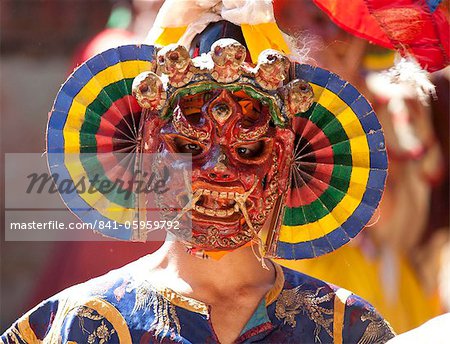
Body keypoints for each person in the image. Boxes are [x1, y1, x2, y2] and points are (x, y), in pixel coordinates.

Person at [1, 1, 396, 343]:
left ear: (287, 158)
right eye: (189, 146)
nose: (217, 169)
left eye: (247, 148)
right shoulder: (84, 324)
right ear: (147, 151)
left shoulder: (346, 328)